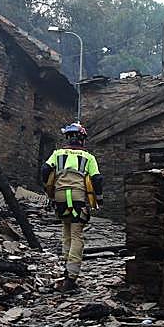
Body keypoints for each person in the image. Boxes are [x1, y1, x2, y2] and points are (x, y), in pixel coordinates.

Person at [41, 122, 103, 290]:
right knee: (77, 235)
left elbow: (45, 169)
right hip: (77, 196)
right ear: (82, 139)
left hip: (60, 196)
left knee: (66, 230)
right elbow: (97, 179)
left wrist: (48, 190)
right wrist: (99, 198)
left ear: (67, 138)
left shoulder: (57, 154)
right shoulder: (88, 157)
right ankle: (71, 276)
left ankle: (65, 266)